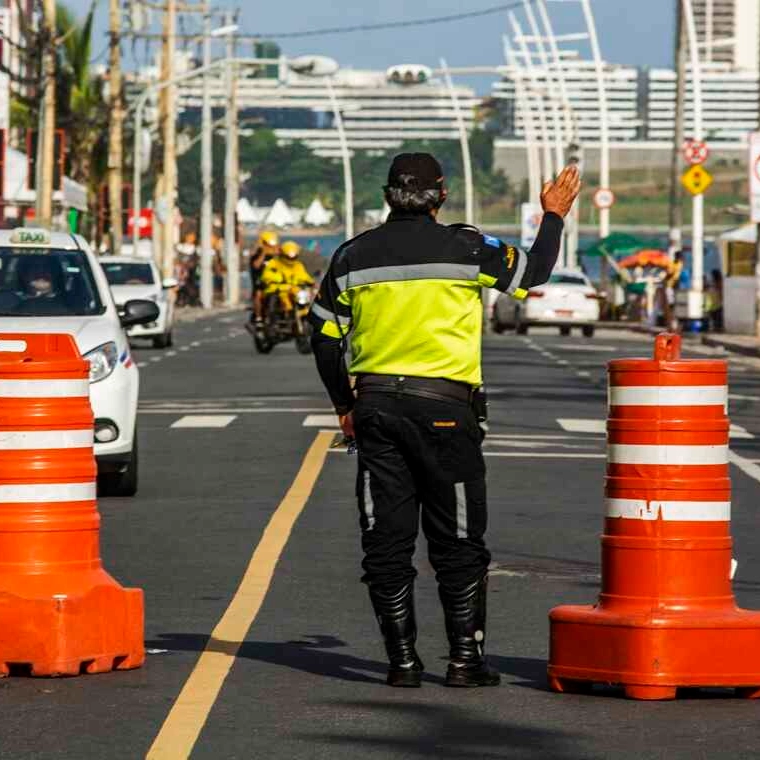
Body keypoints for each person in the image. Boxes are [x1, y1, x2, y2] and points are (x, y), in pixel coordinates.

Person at [308, 153, 580, 688]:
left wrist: (345, 406)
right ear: (442, 196)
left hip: (378, 409)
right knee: (457, 539)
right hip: (446, 412)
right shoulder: (468, 248)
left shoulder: (351, 256)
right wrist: (553, 214)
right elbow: (537, 271)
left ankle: (402, 663)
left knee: (386, 541)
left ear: (388, 196)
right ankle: (464, 661)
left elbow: (322, 340)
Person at [259, 241, 315, 319]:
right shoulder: (274, 263)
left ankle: (304, 315)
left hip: (294, 290)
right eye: (288, 257)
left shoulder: (298, 265)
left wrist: (311, 282)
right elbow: (266, 275)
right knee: (273, 301)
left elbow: (304, 276)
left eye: (293, 257)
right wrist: (278, 279)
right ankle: (271, 319)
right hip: (277, 290)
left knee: (305, 300)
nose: (291, 259)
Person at [250, 231, 281, 324]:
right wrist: (263, 253)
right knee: (258, 295)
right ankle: (258, 317)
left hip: (278, 284)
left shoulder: (278, 256)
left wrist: (277, 253)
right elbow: (256, 266)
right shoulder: (257, 255)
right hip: (262, 284)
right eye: (267, 245)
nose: (270, 247)